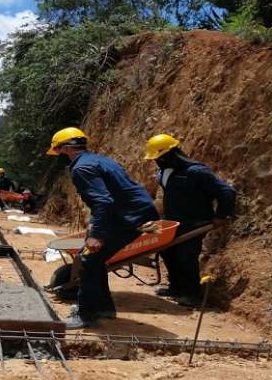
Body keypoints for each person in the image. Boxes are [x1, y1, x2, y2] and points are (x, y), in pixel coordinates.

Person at [47, 127, 159, 329]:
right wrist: (95, 224)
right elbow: (110, 196)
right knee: (93, 259)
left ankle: (87, 315)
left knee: (89, 259)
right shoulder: (99, 160)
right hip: (131, 213)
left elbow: (103, 201)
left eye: (58, 150)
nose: (58, 155)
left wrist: (97, 234)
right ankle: (102, 308)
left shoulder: (82, 168)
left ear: (66, 148)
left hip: (129, 216)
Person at [144, 134, 236, 305]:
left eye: (158, 158)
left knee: (186, 256)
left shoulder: (197, 172)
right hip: (173, 223)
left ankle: (192, 294)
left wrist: (220, 215)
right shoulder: (164, 172)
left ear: (168, 155)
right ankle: (176, 287)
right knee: (168, 252)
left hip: (195, 222)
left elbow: (226, 192)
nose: (156, 162)